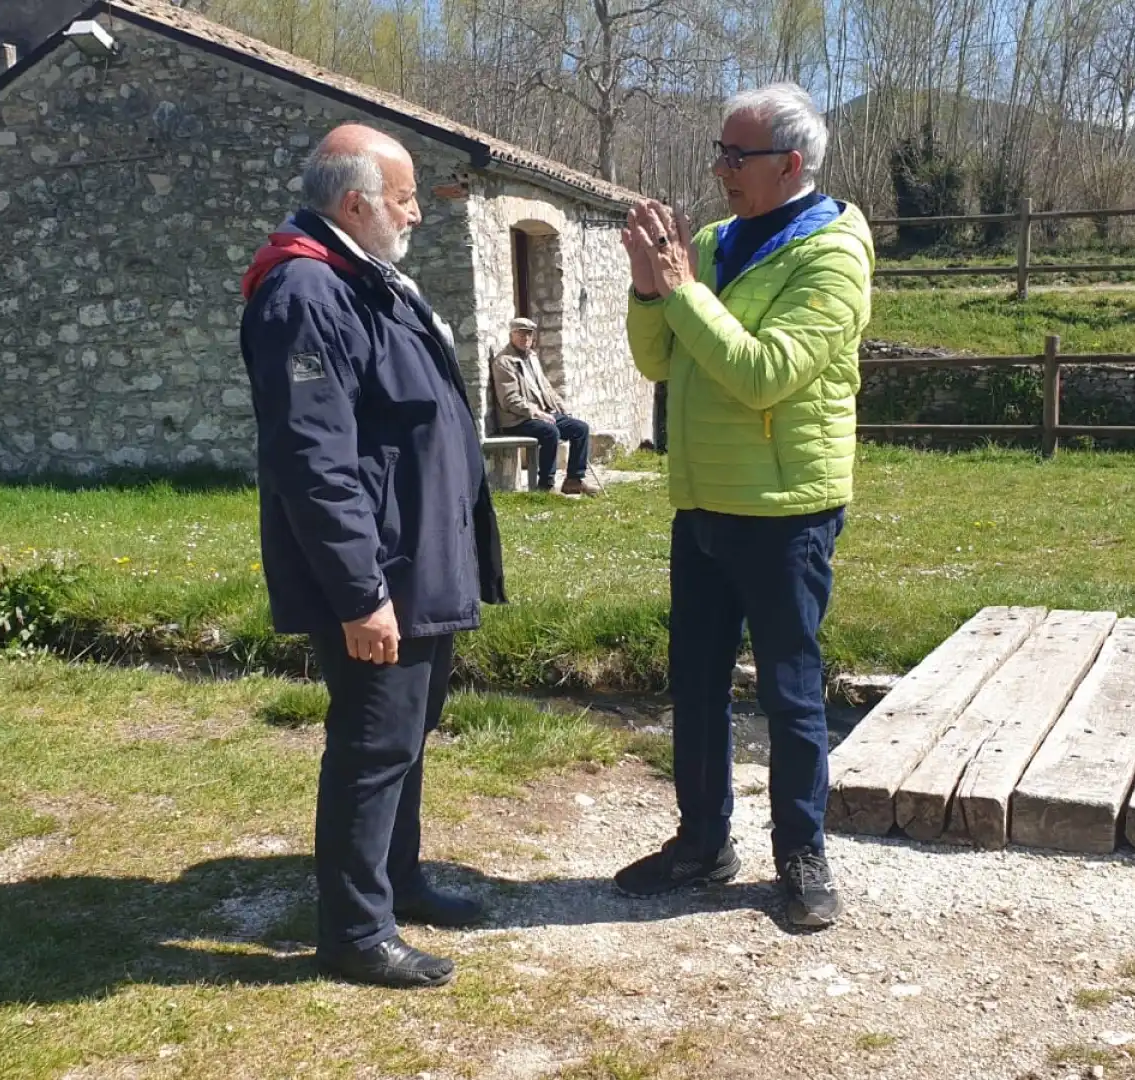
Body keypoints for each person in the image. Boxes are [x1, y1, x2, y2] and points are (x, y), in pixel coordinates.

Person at [239, 123, 507, 988]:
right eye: (404, 199)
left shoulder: (364, 280)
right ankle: (355, 932)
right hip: (380, 575)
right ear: (356, 204)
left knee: (408, 735)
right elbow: (314, 463)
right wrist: (360, 596)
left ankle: (397, 882)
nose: (417, 213)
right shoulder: (306, 292)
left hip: (417, 562)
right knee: (371, 744)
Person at [613, 83, 873, 929]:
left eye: (737, 154)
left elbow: (767, 372)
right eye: (719, 151)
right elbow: (659, 363)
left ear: (790, 164)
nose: (720, 168)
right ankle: (703, 842)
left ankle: (801, 856)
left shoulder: (833, 250)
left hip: (784, 508)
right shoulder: (717, 243)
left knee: (791, 695)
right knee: (694, 684)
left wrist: (682, 288)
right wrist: (648, 287)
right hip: (702, 502)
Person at [490, 318, 599, 495]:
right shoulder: (504, 362)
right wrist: (536, 413)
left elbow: (545, 388)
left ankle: (574, 480)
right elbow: (509, 400)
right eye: (521, 333)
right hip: (518, 419)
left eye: (529, 333)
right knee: (550, 432)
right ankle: (546, 486)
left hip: (542, 414)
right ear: (512, 335)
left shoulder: (532, 357)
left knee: (580, 428)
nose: (525, 337)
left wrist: (560, 406)